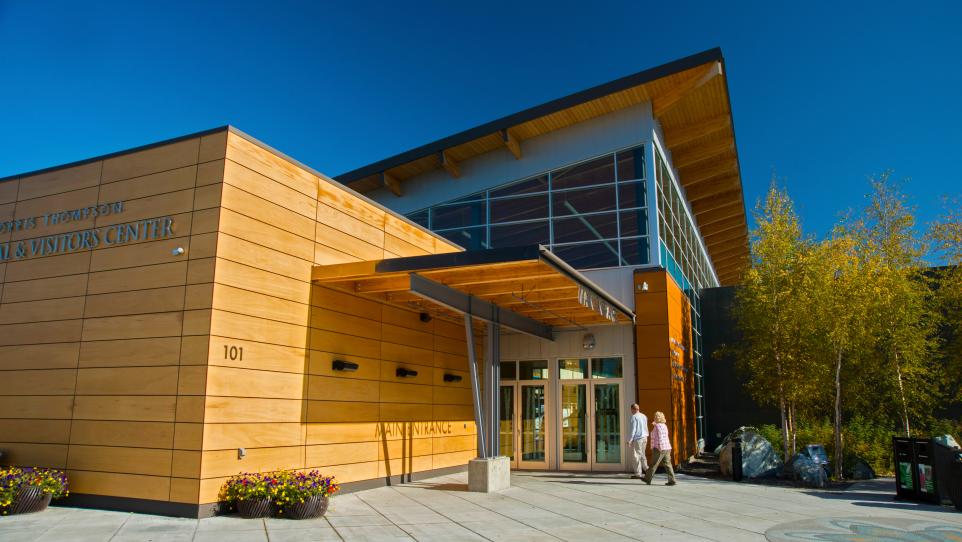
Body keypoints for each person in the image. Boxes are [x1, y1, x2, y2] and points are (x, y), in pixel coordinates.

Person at [643, 411, 677, 486]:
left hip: (659, 448)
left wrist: (660, 448)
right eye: (655, 416)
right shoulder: (664, 425)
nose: (655, 417)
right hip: (667, 447)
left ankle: (647, 479)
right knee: (668, 464)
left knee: (653, 464)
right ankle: (672, 480)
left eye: (656, 416)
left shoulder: (657, 426)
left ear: (659, 418)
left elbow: (660, 438)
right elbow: (666, 437)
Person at [627, 404, 648, 478]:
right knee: (642, 454)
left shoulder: (634, 417)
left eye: (631, 410)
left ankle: (638, 473)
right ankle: (647, 470)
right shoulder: (644, 416)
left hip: (638, 438)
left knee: (636, 455)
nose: (631, 411)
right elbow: (645, 427)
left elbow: (634, 429)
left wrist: (630, 439)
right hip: (645, 437)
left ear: (633, 409)